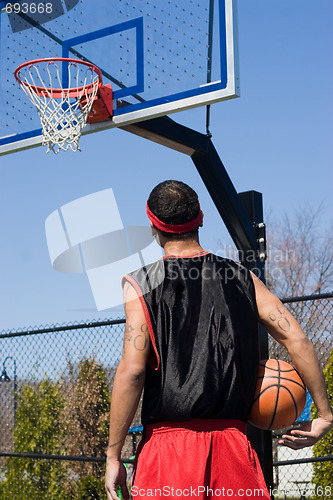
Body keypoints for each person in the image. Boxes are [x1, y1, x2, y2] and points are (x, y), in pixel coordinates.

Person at [105, 180, 332, 500]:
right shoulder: (242, 278)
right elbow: (298, 340)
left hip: (168, 455)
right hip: (232, 450)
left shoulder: (140, 284)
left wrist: (113, 456)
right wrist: (324, 414)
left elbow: (132, 372)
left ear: (153, 226)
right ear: (200, 218)